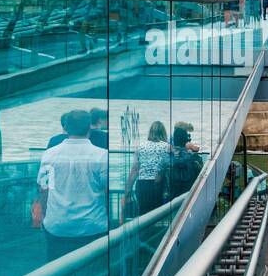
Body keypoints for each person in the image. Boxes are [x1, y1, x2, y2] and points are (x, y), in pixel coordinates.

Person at [35, 109, 109, 261]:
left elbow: (44, 189)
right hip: (92, 225)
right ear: (89, 128)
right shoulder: (101, 155)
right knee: (92, 271)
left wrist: (43, 215)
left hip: (57, 224)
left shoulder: (50, 154)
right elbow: (105, 188)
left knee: (56, 269)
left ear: (66, 128)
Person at [127, 121, 171, 215]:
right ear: (163, 132)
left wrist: (128, 191)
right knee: (157, 215)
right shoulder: (167, 147)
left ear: (150, 132)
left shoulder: (140, 147)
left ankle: (145, 230)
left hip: (142, 184)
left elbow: (134, 170)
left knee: (143, 215)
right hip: (158, 185)